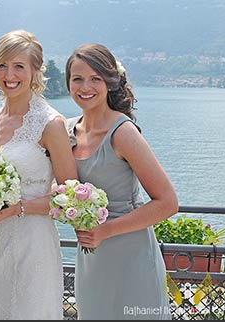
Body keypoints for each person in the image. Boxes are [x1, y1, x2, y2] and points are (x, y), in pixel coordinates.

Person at [0, 29, 78, 319]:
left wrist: (16, 209)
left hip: (32, 244)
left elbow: (71, 199)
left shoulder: (50, 123)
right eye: (2, 65)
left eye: (19, 66)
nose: (9, 74)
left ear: (35, 71)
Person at [65, 43, 179, 320]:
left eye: (95, 79)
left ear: (109, 82)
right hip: (91, 256)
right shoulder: (67, 130)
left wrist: (106, 230)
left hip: (131, 254)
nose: (85, 87)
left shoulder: (123, 132)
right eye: (77, 78)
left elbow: (168, 203)